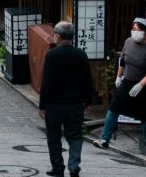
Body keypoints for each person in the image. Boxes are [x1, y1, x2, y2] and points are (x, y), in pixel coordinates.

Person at [94, 17, 146, 148]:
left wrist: (141, 84)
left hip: (144, 86)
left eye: (138, 30)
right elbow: (123, 60)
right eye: (133, 29)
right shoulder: (129, 42)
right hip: (127, 81)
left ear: (145, 32)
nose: (134, 32)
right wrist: (118, 77)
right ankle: (104, 139)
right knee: (113, 109)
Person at [39, 21, 93, 177]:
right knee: (75, 136)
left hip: (54, 105)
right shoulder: (81, 55)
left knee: (54, 137)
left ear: (57, 36)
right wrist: (88, 101)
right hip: (75, 105)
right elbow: (87, 80)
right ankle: (74, 166)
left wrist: (42, 104)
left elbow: (46, 82)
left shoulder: (51, 55)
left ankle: (58, 169)